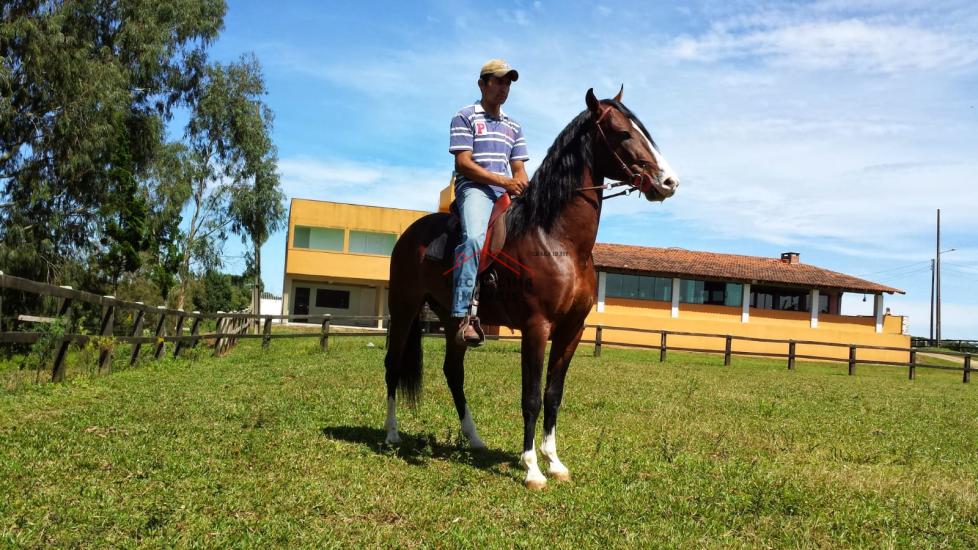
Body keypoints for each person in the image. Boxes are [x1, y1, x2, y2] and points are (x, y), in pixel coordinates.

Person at [448, 59, 530, 346]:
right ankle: (463, 315)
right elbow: (463, 164)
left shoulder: (513, 126)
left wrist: (522, 184)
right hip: (475, 189)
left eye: (508, 82)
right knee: (473, 239)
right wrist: (505, 181)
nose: (504, 87)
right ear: (482, 84)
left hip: (504, 192)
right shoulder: (465, 116)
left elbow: (518, 167)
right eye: (498, 81)